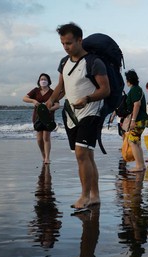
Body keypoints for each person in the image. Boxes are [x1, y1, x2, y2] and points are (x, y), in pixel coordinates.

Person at [46, 22, 110, 209]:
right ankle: (95, 195)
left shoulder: (94, 62)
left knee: (82, 154)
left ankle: (84, 196)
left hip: (91, 111)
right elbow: (62, 86)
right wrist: (51, 100)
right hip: (71, 115)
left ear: (79, 40)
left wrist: (88, 98)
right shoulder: (64, 62)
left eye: (69, 43)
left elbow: (106, 90)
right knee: (87, 156)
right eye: (63, 44)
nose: (66, 47)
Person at [23, 73, 60, 164]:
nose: (43, 81)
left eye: (45, 79)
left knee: (46, 138)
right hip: (37, 117)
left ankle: (47, 158)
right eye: (41, 79)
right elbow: (24, 98)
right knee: (39, 139)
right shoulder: (35, 91)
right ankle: (43, 155)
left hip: (48, 117)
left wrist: (50, 108)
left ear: (48, 81)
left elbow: (58, 105)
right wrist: (33, 100)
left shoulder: (52, 92)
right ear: (39, 81)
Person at [123, 69, 148, 171]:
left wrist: (133, 120)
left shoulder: (134, 90)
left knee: (132, 141)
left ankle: (139, 165)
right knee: (136, 142)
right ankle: (141, 165)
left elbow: (137, 105)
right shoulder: (137, 89)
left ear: (129, 80)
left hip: (139, 119)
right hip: (141, 119)